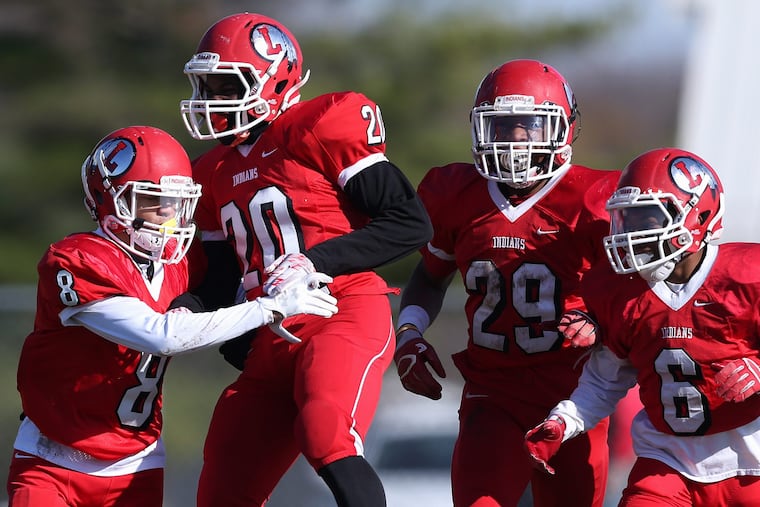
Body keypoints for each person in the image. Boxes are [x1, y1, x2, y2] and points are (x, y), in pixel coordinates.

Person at [6, 125, 338, 507]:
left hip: (138, 462)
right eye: (153, 201)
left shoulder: (184, 263)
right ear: (107, 199)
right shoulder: (77, 260)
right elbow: (163, 335)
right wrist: (270, 307)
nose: (168, 216)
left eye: (176, 203)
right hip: (52, 458)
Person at [179, 12, 432, 507]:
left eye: (226, 84)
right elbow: (220, 279)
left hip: (341, 310)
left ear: (275, 78)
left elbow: (409, 222)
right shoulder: (210, 171)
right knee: (224, 480)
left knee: (325, 430)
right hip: (271, 335)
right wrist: (180, 312)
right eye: (206, 85)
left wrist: (314, 261)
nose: (212, 100)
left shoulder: (319, 126)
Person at [393, 59, 620, 507]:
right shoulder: (455, 193)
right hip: (492, 394)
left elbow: (634, 296)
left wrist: (600, 319)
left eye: (529, 126)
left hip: (575, 396)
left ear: (564, 128)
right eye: (502, 126)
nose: (515, 140)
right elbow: (430, 275)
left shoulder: (595, 200)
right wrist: (408, 333)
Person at [524, 147, 760, 506]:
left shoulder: (747, 275)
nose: (633, 233)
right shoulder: (619, 291)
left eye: (649, 219)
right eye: (627, 219)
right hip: (667, 462)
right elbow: (604, 381)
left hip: (750, 463)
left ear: (699, 216)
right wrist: (562, 422)